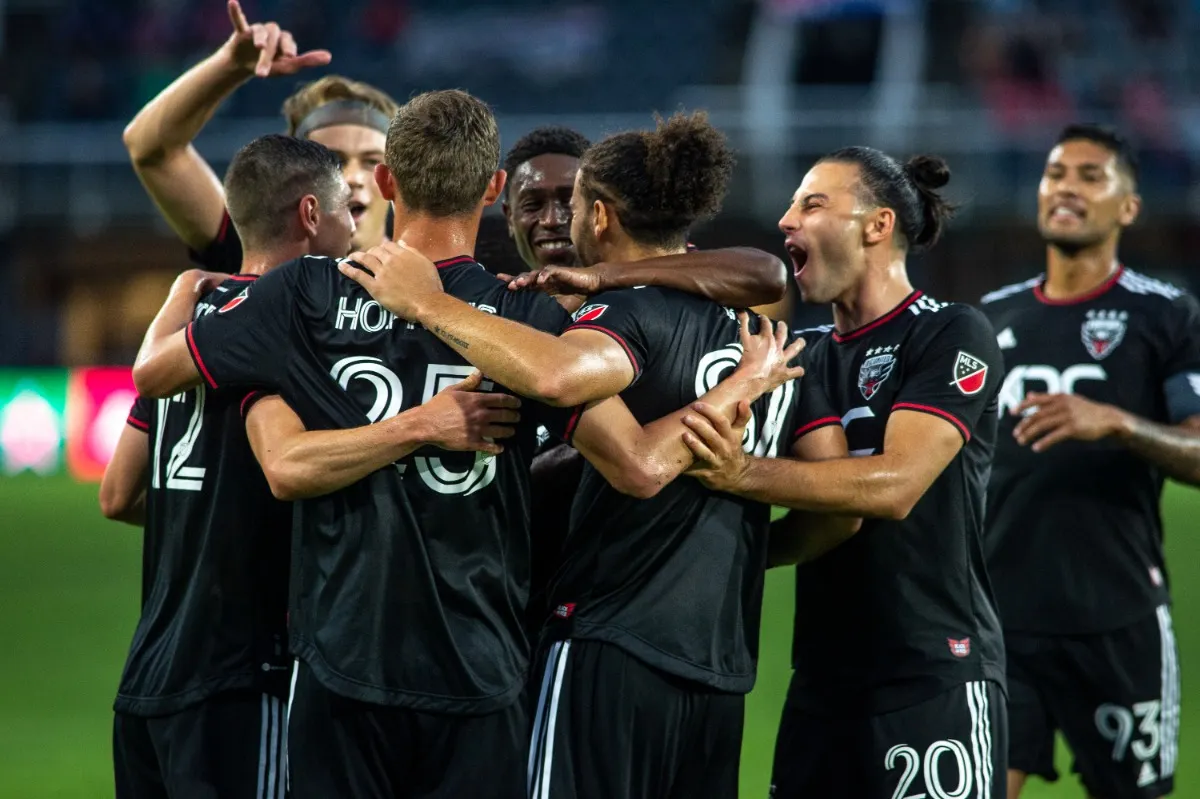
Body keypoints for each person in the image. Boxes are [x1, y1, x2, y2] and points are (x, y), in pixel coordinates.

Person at [128, 90, 796, 799]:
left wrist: (199, 293)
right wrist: (734, 391)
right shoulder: (527, 316)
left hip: (339, 663)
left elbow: (156, 372)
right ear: (494, 190)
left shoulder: (305, 294)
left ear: (385, 181)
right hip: (481, 666)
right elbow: (636, 461)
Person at [338, 111, 854, 798]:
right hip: (721, 657)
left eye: (573, 202)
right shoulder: (763, 333)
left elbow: (594, 417)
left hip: (598, 639)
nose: (559, 220)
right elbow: (836, 503)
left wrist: (432, 307)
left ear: (602, 216)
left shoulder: (600, 322)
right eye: (537, 202)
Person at [672, 146, 1009, 798]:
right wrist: (735, 556)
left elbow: (897, 484)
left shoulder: (950, 332)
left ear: (876, 225)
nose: (784, 219)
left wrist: (740, 472)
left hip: (930, 672)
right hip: (822, 686)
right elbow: (824, 525)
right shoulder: (807, 357)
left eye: (811, 203)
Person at [98, 134, 349, 799]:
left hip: (149, 673)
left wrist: (209, 504)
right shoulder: (300, 324)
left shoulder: (194, 323)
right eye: (348, 207)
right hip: (241, 677)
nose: (356, 227)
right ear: (309, 215)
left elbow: (118, 493)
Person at [980, 124, 1200, 799]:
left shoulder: (1166, 315)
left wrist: (1118, 421)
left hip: (1119, 616)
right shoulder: (989, 319)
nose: (1066, 187)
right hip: (999, 620)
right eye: (1055, 172)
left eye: (1089, 175)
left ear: (1127, 207)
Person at [122, 0, 398, 273]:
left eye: (371, 161)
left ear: (395, 182)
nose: (351, 178)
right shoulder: (255, 254)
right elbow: (151, 148)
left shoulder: (427, 278)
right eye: (333, 161)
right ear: (292, 175)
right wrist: (231, 65)